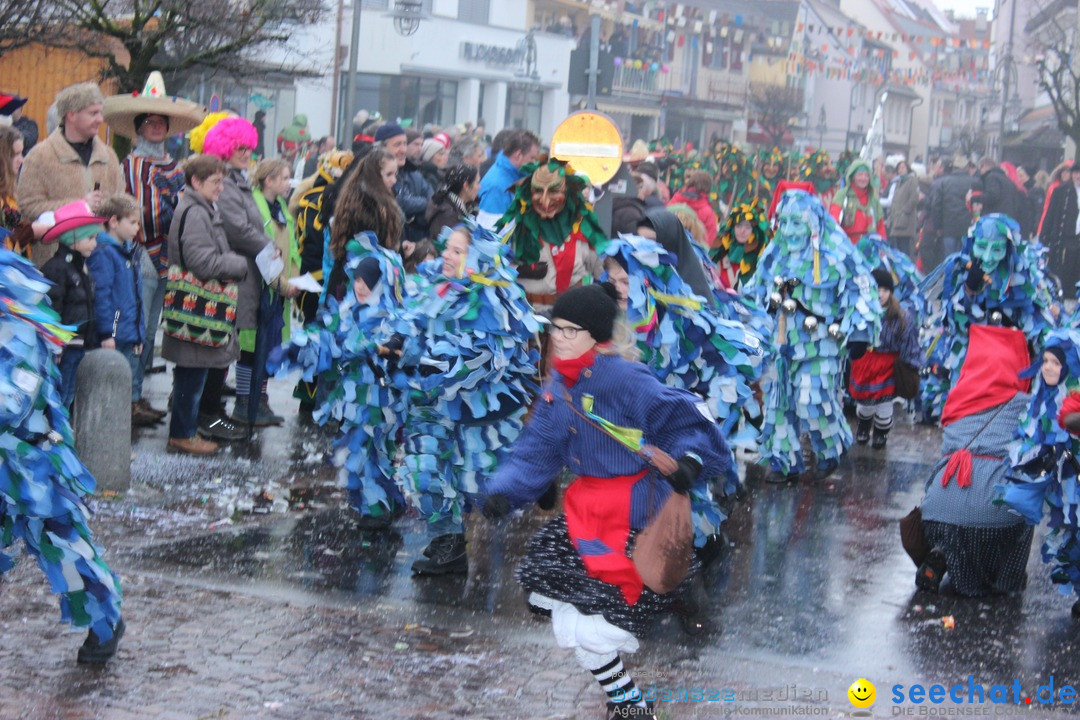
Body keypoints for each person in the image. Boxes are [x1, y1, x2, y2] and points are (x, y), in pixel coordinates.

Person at [481, 282, 730, 719]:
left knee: (597, 622)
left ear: (595, 335)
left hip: (634, 514)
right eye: (553, 327)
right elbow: (536, 449)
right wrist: (505, 491)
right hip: (585, 514)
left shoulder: (625, 378)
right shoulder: (558, 387)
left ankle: (630, 704)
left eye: (568, 330)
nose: (556, 337)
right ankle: (630, 704)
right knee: (550, 598)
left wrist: (690, 461)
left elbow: (689, 420)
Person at [392, 220, 539, 575]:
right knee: (425, 469)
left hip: (472, 407)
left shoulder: (491, 299)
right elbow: (411, 325)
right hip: (429, 403)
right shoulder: (433, 286)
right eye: (447, 248)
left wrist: (433, 363)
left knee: (476, 476)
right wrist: (401, 345)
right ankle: (449, 543)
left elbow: (485, 358)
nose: (446, 255)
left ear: (477, 260)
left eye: (458, 251)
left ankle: (535, 482)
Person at [0, 244, 124, 664]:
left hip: (27, 456)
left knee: (58, 541)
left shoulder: (11, 295)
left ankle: (104, 617)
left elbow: (17, 390)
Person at [270, 232, 407, 527]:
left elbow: (397, 351)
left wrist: (377, 350)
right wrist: (300, 348)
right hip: (356, 398)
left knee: (369, 449)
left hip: (380, 400)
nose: (360, 286)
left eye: (367, 282)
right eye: (357, 280)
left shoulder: (392, 317)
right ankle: (388, 501)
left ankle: (376, 508)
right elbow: (330, 336)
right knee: (368, 450)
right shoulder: (350, 312)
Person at [744, 190, 882, 480]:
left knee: (812, 399)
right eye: (784, 222)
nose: (790, 230)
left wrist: (859, 331)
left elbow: (862, 289)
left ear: (813, 224)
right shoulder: (774, 254)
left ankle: (831, 448)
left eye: (797, 223)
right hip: (780, 344)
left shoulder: (836, 254)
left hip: (821, 344)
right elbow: (756, 291)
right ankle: (784, 462)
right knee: (778, 404)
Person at [102, 71, 204, 417]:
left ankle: (137, 393)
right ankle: (128, 398)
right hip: (143, 254)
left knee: (150, 328)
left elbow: (179, 211)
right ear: (139, 127)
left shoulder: (173, 166)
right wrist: (176, 212)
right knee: (138, 327)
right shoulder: (132, 165)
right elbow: (147, 214)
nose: (156, 127)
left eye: (161, 122)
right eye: (150, 122)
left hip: (167, 259)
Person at [915, 325, 1033, 597]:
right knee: (1024, 504)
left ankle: (943, 555)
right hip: (992, 515)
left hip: (938, 511)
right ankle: (1006, 580)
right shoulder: (1023, 404)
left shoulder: (958, 397)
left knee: (958, 518)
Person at [921, 214, 1054, 422]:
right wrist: (968, 290)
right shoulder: (960, 273)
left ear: (1008, 249)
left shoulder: (1021, 278)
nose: (989, 256)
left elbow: (1036, 323)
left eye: (997, 249)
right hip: (970, 363)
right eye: (982, 247)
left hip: (1007, 369)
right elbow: (955, 326)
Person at [162, 154, 248, 455]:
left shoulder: (200, 207)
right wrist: (237, 263)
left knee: (194, 369)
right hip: (196, 307)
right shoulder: (196, 213)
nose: (221, 188)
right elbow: (201, 261)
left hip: (198, 306)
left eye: (222, 181)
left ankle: (188, 429)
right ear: (195, 182)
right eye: (215, 181)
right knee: (191, 371)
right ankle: (183, 434)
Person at [203, 116, 279, 431]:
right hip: (233, 271)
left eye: (248, 147)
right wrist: (266, 243)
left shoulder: (239, 179)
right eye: (239, 147)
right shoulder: (227, 182)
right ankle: (211, 412)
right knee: (221, 343)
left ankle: (218, 409)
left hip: (246, 271)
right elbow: (237, 226)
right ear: (224, 148)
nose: (246, 153)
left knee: (230, 343)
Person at [997, 331, 1080, 616]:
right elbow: (1032, 436)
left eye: (1055, 362)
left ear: (1068, 366)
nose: (1047, 367)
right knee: (1068, 536)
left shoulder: (1075, 394)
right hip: (1062, 486)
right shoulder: (1042, 397)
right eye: (1044, 360)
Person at [17, 82, 123, 268]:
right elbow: (27, 207)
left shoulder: (109, 157)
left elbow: (120, 204)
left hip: (105, 264)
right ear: (71, 115)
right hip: (56, 268)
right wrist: (79, 206)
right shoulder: (40, 157)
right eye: (93, 113)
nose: (100, 119)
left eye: (100, 112)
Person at [86, 193, 162, 427]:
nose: (137, 228)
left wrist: (138, 334)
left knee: (122, 392)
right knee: (109, 393)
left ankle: (117, 442)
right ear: (113, 221)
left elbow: (135, 299)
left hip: (127, 335)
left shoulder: (128, 251)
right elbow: (103, 297)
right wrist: (109, 333)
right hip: (115, 336)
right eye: (132, 222)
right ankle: (105, 442)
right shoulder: (104, 253)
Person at [496, 157, 608, 312]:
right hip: (529, 317)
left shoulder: (583, 229)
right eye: (538, 191)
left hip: (572, 318)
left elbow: (604, 273)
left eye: (554, 191)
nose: (546, 202)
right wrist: (522, 268)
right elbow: (498, 270)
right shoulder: (516, 231)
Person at [241, 157, 301, 424]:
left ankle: (260, 399)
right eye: (285, 178)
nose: (289, 183)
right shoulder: (255, 206)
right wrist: (283, 283)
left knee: (267, 348)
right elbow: (261, 250)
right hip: (259, 286)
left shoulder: (280, 207)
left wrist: (295, 279)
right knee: (250, 348)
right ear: (269, 180)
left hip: (278, 289)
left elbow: (292, 246)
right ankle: (245, 401)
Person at [849, 268, 921, 449]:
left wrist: (910, 364)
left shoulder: (901, 316)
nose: (881, 294)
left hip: (888, 365)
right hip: (865, 361)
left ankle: (881, 432)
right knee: (865, 403)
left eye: (885, 290)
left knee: (884, 404)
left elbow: (908, 342)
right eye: (877, 289)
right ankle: (864, 425)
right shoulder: (861, 311)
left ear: (890, 292)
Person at [41, 200, 103, 409]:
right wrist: (55, 345)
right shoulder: (57, 268)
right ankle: (55, 437)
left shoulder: (79, 268)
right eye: (90, 238)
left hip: (79, 343)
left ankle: (62, 436)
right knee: (60, 395)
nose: (95, 244)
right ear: (72, 238)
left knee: (68, 394)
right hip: (65, 345)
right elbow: (53, 310)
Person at [328, 148, 403, 299]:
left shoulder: (381, 199)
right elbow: (366, 251)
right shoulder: (361, 204)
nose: (394, 180)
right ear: (374, 175)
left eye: (395, 174)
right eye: (389, 174)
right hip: (355, 283)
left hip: (370, 279)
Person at [377, 124, 431, 246]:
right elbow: (399, 202)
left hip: (416, 245)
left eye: (405, 144)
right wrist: (421, 204)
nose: (403, 150)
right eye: (397, 145)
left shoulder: (413, 173)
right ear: (382, 148)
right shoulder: (372, 175)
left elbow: (432, 201)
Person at [0, 124, 48, 257]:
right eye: (15, 154)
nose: (21, 160)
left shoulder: (11, 192)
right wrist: (31, 231)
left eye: (21, 153)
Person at [477, 129, 540, 228]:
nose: (535, 162)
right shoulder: (497, 186)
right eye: (532, 158)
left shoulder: (518, 175)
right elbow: (490, 234)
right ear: (518, 155)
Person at [926, 151, 979, 269]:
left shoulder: (944, 182)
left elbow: (936, 205)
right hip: (967, 227)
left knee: (949, 258)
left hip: (948, 226)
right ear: (966, 167)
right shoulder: (974, 182)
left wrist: (938, 226)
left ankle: (949, 282)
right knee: (965, 258)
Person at [711, 200, 770, 291]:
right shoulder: (720, 253)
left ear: (755, 231)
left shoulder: (761, 260)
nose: (742, 231)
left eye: (747, 227)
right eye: (738, 226)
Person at [1039, 163, 1080, 294]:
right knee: (1063, 273)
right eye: (1075, 173)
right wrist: (1043, 238)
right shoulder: (1061, 192)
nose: (1078, 176)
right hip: (1066, 239)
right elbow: (1050, 215)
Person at [830, 158, 886, 244]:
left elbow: (880, 226)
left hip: (870, 246)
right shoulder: (842, 196)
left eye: (866, 175)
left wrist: (883, 245)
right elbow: (833, 221)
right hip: (847, 245)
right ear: (852, 177)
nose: (863, 178)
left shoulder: (873, 200)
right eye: (860, 175)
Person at [426, 163, 478, 240]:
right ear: (466, 186)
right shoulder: (447, 215)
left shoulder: (464, 206)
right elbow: (445, 246)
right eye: (477, 182)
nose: (480, 187)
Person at [667, 169, 718, 244]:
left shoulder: (675, 199)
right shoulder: (707, 211)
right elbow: (709, 239)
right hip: (693, 252)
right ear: (708, 188)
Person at [883, 157, 919, 259]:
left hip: (905, 220)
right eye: (899, 168)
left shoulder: (912, 180)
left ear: (908, 168)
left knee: (904, 247)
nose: (900, 170)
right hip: (896, 219)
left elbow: (914, 198)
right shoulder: (899, 182)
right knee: (897, 246)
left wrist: (904, 212)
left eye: (903, 167)